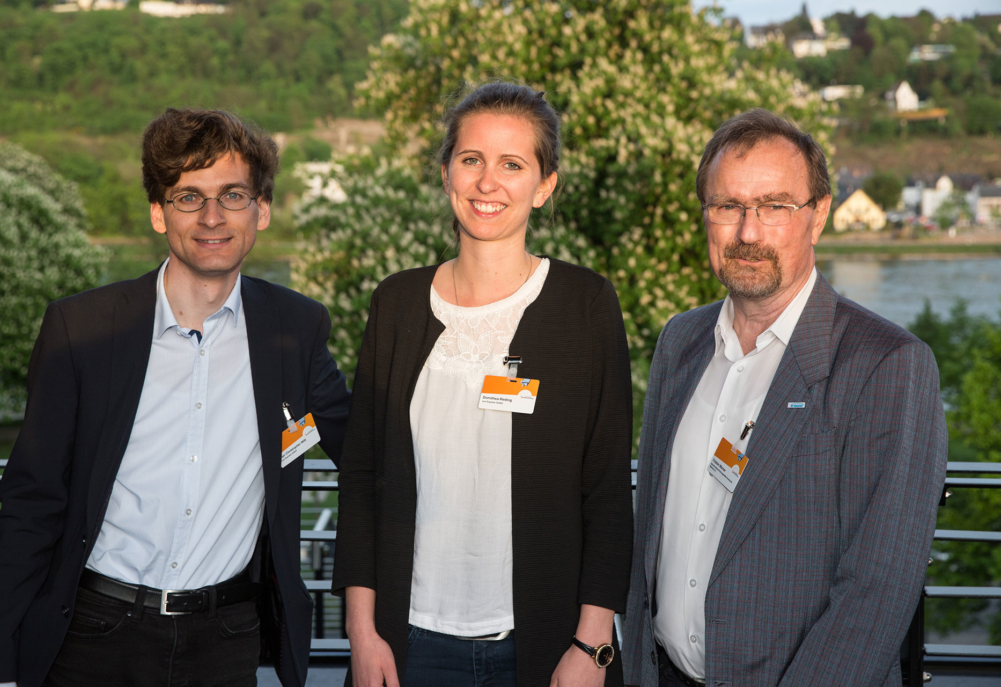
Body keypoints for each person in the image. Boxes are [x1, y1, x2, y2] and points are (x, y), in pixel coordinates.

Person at [0, 108, 351, 687]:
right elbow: (31, 505)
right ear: (158, 212)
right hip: (93, 636)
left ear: (262, 210)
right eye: (188, 197)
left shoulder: (295, 330)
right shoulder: (82, 329)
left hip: (225, 641)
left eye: (233, 195)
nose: (212, 216)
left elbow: (369, 455)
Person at [621, 108, 948, 687]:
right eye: (728, 206)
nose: (748, 233)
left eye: (774, 206)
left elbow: (876, 593)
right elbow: (649, 534)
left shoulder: (887, 365)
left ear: (817, 216)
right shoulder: (680, 342)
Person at [331, 82, 635, 687]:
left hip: (548, 646)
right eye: (471, 159)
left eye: (512, 164)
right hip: (407, 646)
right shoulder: (396, 303)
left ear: (544, 186)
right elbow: (362, 477)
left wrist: (592, 643)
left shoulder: (584, 304)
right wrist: (362, 634)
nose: (487, 182)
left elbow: (605, 488)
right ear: (446, 173)